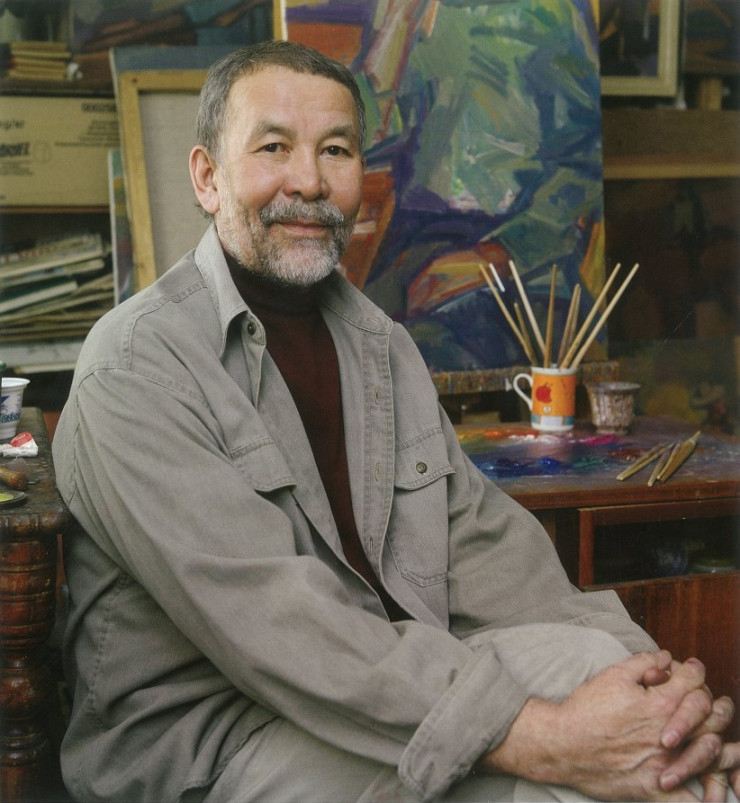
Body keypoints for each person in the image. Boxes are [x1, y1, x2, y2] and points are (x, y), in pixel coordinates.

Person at [52, 40, 740, 803]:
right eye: (273, 148)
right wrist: (548, 739)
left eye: (336, 150)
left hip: (392, 682)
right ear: (208, 177)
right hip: (215, 738)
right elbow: (283, 631)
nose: (309, 181)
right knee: (560, 789)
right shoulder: (135, 369)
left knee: (614, 690)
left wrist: (660, 700)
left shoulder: (381, 348)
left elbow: (494, 555)